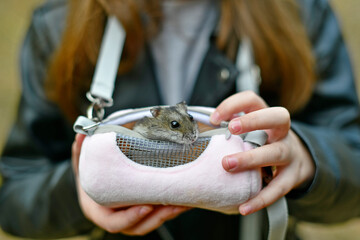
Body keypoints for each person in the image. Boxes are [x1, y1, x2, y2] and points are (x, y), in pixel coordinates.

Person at [1, 0, 360, 239]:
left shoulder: (301, 10)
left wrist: (307, 157)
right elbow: (14, 194)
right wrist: (78, 191)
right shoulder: (57, 24)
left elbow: (352, 161)